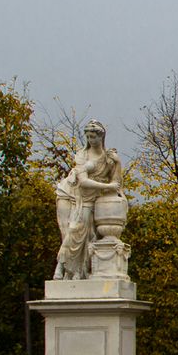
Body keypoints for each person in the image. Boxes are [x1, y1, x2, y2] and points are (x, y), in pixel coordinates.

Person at [53, 120, 123, 280]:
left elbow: (117, 183)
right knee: (69, 231)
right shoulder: (82, 155)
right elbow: (83, 182)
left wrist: (118, 163)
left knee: (85, 233)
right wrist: (107, 186)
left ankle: (78, 270)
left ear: (101, 137)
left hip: (89, 199)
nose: (91, 140)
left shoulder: (107, 158)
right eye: (88, 137)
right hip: (71, 193)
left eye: (93, 137)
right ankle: (62, 267)